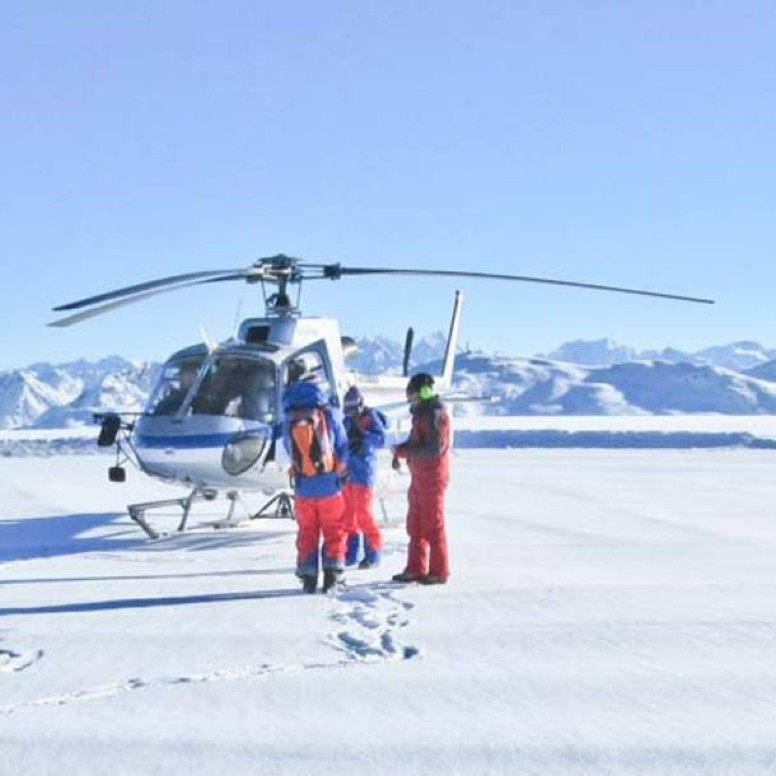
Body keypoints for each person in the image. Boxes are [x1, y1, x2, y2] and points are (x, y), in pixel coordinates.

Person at [282, 379, 349, 593]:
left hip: (303, 489)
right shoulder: (331, 416)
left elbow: (287, 448)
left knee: (307, 532)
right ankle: (332, 575)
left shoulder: (289, 419)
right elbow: (343, 447)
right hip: (330, 487)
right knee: (334, 531)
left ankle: (308, 577)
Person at [391, 372, 451, 585]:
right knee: (415, 525)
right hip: (419, 477)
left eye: (413, 394)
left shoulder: (435, 415)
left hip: (432, 479)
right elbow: (416, 443)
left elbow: (433, 448)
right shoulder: (422, 415)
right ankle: (415, 568)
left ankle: (439, 571)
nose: (410, 399)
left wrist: (406, 452)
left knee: (432, 526)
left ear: (424, 393)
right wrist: (401, 450)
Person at [341, 386, 388, 569]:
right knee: (347, 516)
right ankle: (351, 554)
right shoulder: (347, 422)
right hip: (348, 474)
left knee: (364, 515)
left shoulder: (370, 418)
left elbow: (381, 440)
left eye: (354, 409)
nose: (351, 414)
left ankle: (373, 555)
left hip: (363, 473)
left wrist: (363, 436)